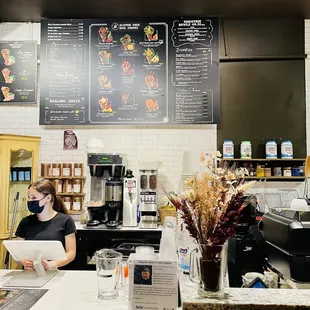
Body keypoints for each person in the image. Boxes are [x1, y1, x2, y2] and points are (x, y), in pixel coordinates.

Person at [15, 179, 76, 270]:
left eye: (34, 197)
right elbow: (17, 252)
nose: (30, 201)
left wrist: (53, 264)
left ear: (48, 198)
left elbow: (71, 253)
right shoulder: (25, 222)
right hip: (31, 274)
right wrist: (23, 261)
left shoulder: (65, 221)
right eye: (29, 197)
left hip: (56, 275)